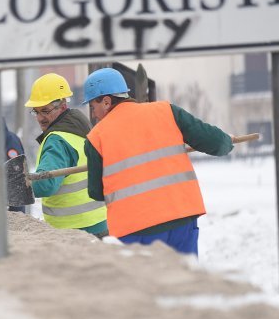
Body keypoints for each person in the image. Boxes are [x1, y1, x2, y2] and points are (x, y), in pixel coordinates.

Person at [82, 67, 233, 255]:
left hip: (134, 231)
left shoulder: (95, 138)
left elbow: (96, 192)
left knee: (146, 283)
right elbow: (217, 143)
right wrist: (228, 141)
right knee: (186, 280)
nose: (93, 114)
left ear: (106, 102)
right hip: (181, 218)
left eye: (92, 107)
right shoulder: (167, 111)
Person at [24, 73, 107, 236]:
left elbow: (45, 185)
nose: (40, 118)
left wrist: (13, 185)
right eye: (36, 112)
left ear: (62, 106)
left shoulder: (57, 140)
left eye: (45, 111)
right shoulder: (80, 126)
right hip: (99, 221)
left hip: (73, 230)